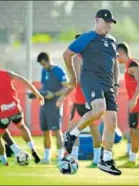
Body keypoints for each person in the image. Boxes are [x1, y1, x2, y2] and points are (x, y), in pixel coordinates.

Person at [62, 9, 122, 175]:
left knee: (111, 121)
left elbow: (115, 63)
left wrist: (116, 83)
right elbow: (67, 54)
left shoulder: (112, 41)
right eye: (106, 21)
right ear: (97, 20)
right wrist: (73, 77)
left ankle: (106, 160)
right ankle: (72, 134)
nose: (109, 25)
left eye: (111, 22)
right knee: (99, 108)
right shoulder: (88, 37)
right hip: (91, 79)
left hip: (108, 83)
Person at [57, 34, 102, 168]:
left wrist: (62, 95)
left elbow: (76, 80)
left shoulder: (77, 57)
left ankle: (72, 158)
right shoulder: (96, 58)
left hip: (81, 100)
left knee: (72, 131)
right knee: (95, 130)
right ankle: (96, 160)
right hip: (94, 98)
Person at [117, 43, 139, 168]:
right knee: (133, 132)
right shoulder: (127, 66)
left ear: (120, 52)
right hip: (134, 105)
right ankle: (132, 160)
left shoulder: (133, 64)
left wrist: (134, 99)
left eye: (116, 55)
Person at [36, 52, 69, 164]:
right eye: (41, 65)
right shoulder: (44, 71)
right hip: (44, 104)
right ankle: (46, 158)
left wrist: (53, 95)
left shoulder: (59, 71)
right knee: (45, 131)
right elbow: (44, 86)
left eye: (44, 64)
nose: (43, 66)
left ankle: (60, 157)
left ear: (48, 60)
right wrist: (38, 93)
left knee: (56, 131)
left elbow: (66, 88)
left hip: (55, 105)